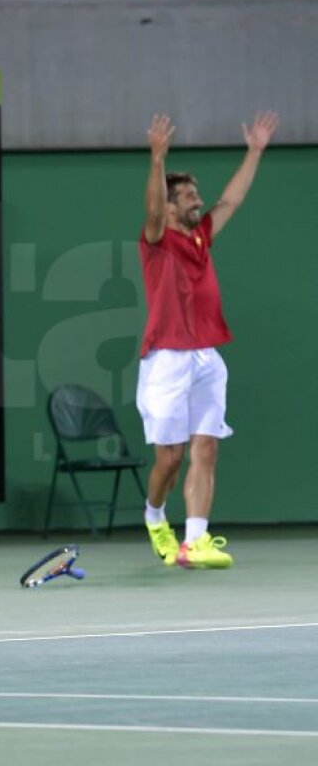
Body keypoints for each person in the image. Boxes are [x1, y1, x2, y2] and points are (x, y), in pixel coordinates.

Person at [137, 111, 278, 570]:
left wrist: (254, 151)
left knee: (207, 446)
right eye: (190, 197)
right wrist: (158, 159)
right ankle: (155, 516)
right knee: (169, 459)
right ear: (173, 205)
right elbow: (155, 210)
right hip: (165, 361)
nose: (198, 202)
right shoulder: (157, 239)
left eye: (197, 195)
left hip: (206, 358)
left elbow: (231, 200)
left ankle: (195, 540)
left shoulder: (201, 238)